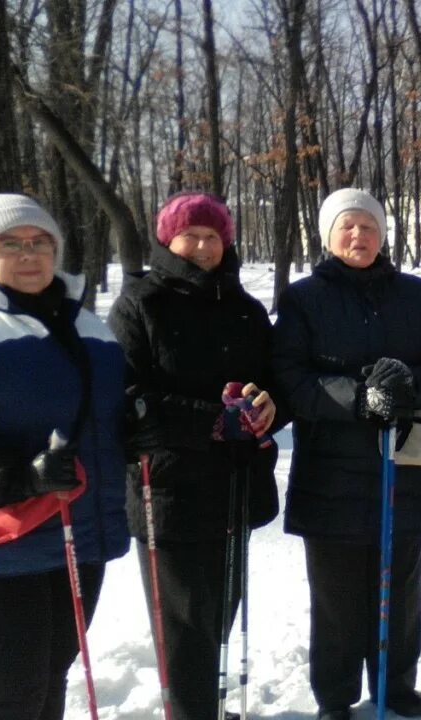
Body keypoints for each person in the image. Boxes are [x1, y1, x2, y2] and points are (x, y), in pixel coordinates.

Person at [0, 194, 130, 719]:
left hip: (75, 534)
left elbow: (110, 419)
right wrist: (21, 477)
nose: (28, 254)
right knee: (7, 699)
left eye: (40, 242)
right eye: (10, 244)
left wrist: (140, 427)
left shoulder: (91, 329)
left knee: (49, 682)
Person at [273, 188, 421, 720]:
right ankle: (334, 695)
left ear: (383, 234)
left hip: (403, 464)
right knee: (335, 594)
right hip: (329, 471)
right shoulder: (303, 298)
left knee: (399, 588)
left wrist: (408, 388)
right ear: (329, 235)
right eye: (347, 227)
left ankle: (394, 683)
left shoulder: (416, 295)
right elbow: (290, 376)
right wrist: (356, 397)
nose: (359, 236)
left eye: (369, 227)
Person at [107, 191, 281, 720]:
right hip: (168, 485)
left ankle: (207, 705)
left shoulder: (246, 309)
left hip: (233, 480)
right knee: (183, 623)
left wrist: (271, 404)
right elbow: (125, 396)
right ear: (168, 239)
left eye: (212, 236)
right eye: (191, 235)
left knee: (220, 609)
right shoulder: (141, 303)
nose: (202, 246)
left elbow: (274, 381)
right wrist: (207, 418)